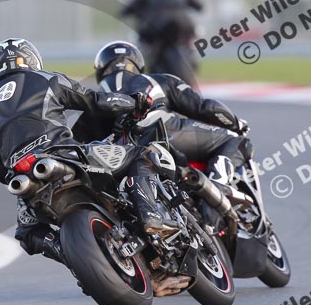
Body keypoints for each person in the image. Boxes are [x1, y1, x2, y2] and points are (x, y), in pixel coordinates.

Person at [0, 38, 177, 263]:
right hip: (66, 155)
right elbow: (96, 101)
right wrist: (134, 103)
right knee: (142, 155)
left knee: (27, 233)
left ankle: (70, 255)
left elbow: (0, 170)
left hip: (24, 178)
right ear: (31, 59)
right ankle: (150, 215)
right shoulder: (46, 79)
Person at [94, 41, 252, 224]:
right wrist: (236, 123)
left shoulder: (93, 98)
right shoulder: (155, 80)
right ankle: (219, 186)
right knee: (237, 141)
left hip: (123, 158)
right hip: (166, 132)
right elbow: (205, 108)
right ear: (137, 64)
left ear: (101, 69)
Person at [121, 0, 203, 83]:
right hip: (183, 24)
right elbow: (198, 5)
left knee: (143, 46)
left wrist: (126, 12)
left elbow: (132, 6)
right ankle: (192, 58)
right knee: (190, 41)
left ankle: (141, 68)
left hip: (154, 26)